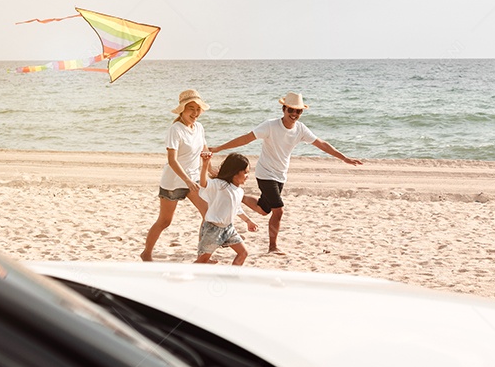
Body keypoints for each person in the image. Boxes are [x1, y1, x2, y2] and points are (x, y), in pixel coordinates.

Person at [210, 91, 363, 255]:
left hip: (280, 175)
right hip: (265, 173)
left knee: (264, 210)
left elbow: (321, 144)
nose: (294, 114)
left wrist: (344, 158)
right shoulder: (270, 126)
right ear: (284, 109)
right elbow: (246, 139)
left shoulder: (300, 129)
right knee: (279, 210)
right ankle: (273, 247)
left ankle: (238, 195)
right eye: (291, 110)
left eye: (298, 111)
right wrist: (218, 148)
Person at [140, 89, 211, 261]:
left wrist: (212, 169)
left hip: (193, 179)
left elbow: (204, 151)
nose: (195, 113)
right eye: (191, 108)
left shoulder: (199, 128)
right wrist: (187, 180)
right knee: (165, 221)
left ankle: (202, 257)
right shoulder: (175, 129)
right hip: (174, 181)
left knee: (209, 215)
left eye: (198, 109)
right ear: (182, 110)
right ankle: (146, 253)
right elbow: (172, 160)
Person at [195, 152, 259, 265]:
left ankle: (231, 275)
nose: (247, 176)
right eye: (245, 172)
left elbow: (237, 208)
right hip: (213, 229)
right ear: (234, 172)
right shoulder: (220, 185)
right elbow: (203, 184)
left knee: (243, 253)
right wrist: (205, 164)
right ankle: (185, 274)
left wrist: (248, 221)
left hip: (228, 229)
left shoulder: (239, 191)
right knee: (202, 261)